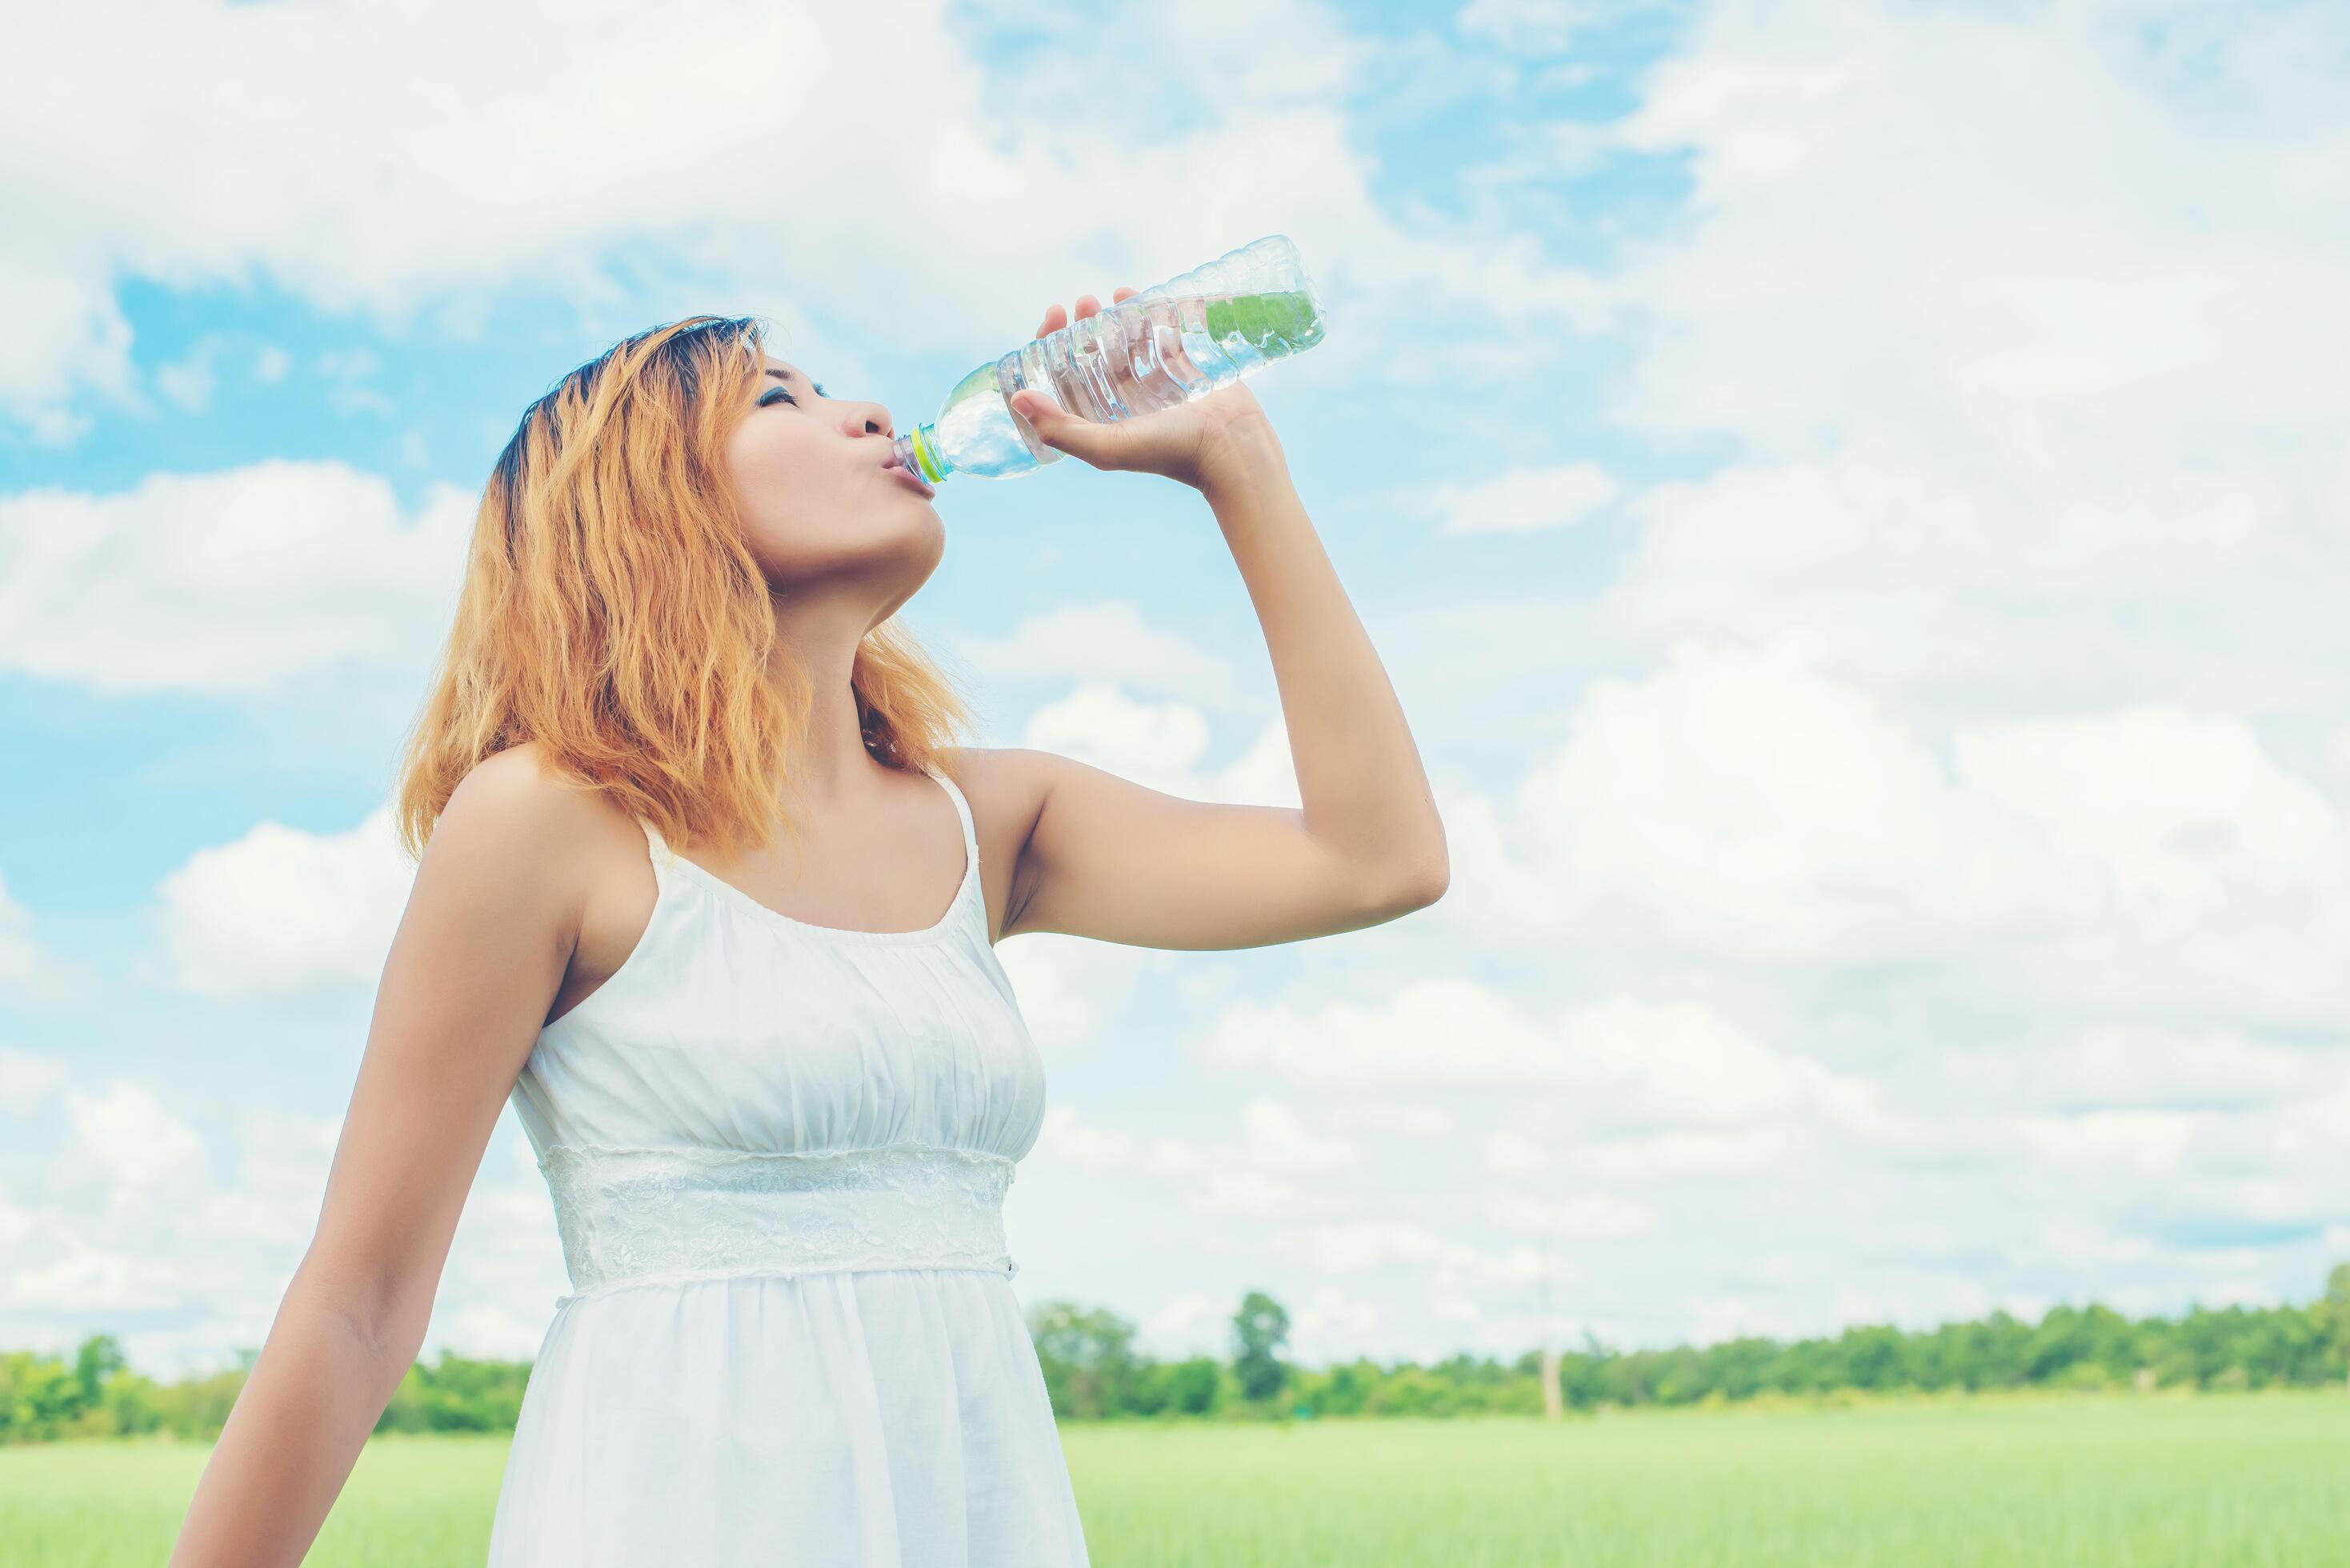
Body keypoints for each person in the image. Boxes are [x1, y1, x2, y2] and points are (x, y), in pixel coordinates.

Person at [165, 286, 1450, 1567]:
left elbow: (1377, 861)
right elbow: (359, 1304)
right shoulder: (547, 821)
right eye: (780, 398)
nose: (870, 413)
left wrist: (1237, 463)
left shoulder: (994, 820)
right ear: (646, 509)